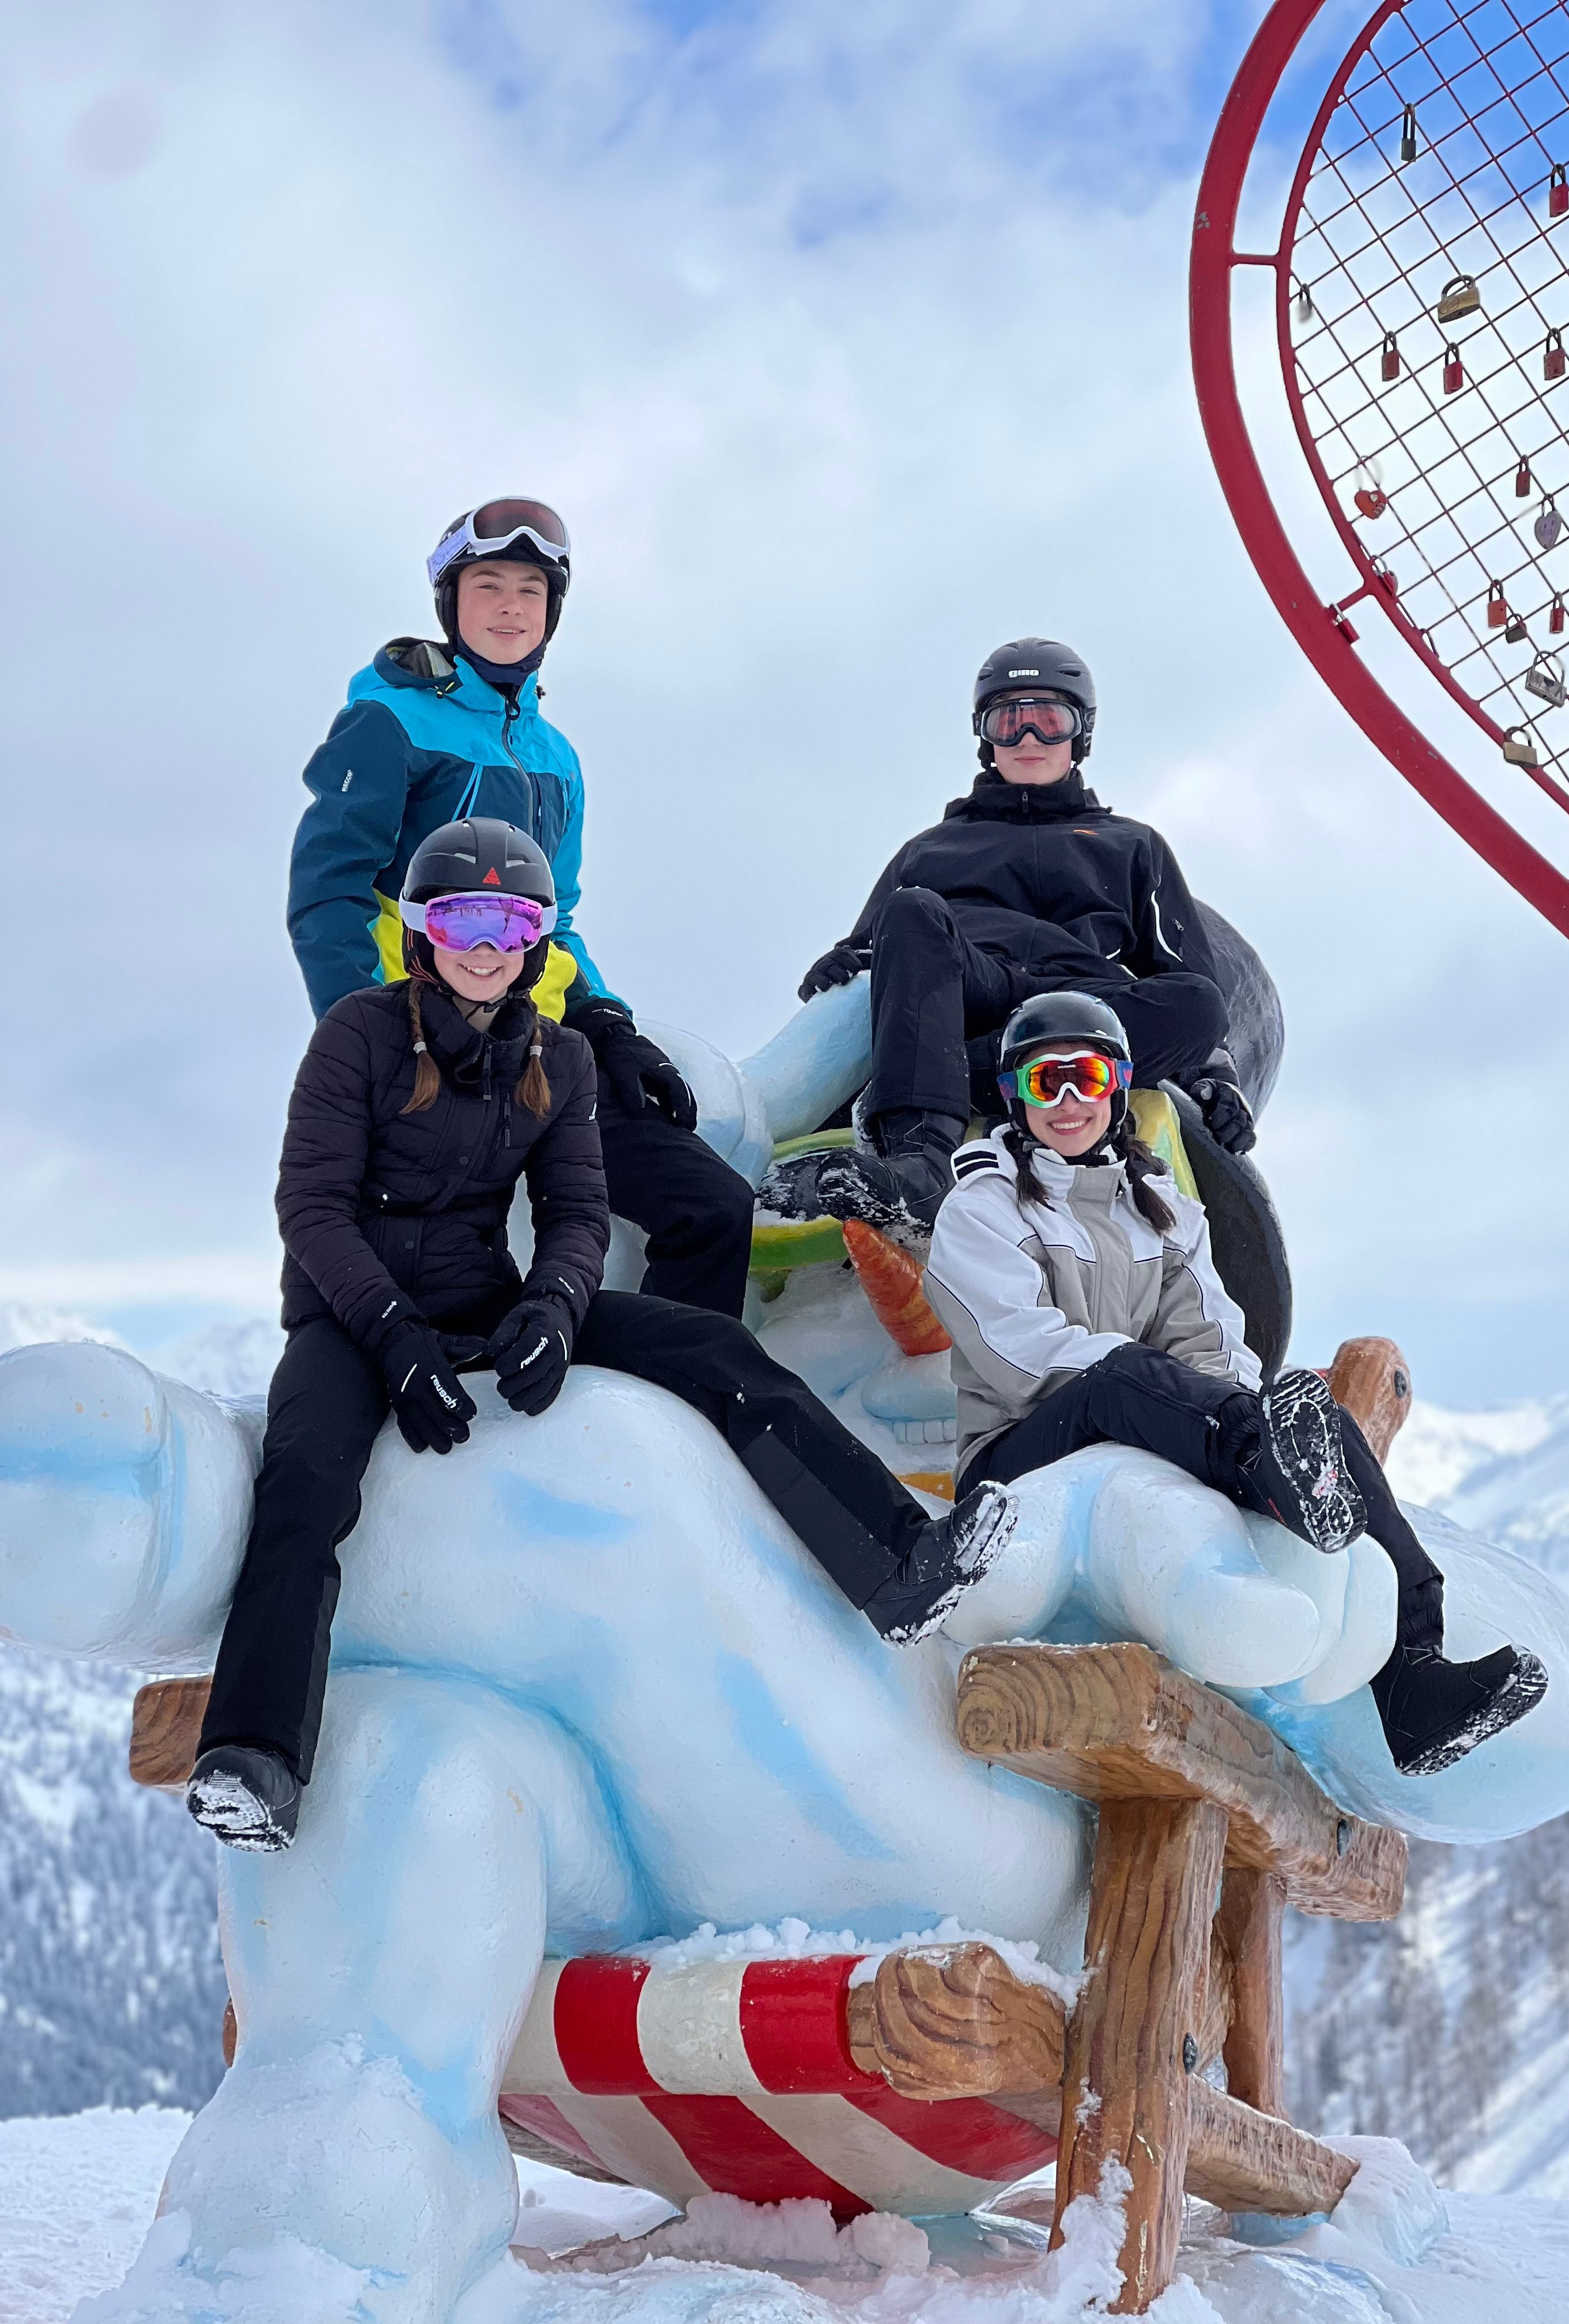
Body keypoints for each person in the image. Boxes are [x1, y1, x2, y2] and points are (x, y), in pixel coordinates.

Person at [188, 820, 1015, 1854]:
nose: (484, 946)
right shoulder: (358, 1035)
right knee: (308, 1475)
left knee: (714, 1354)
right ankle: (253, 1756)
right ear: (419, 932)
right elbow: (313, 1211)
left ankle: (898, 1564)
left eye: (510, 922)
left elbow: (578, 1212)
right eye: (459, 919)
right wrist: (394, 1336)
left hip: (486, 1306)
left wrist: (552, 1308)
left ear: (537, 940)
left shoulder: (556, 1057)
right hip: (353, 1320)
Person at [921, 991, 1548, 1778]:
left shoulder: (1168, 1216)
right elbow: (1022, 1355)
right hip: (1019, 1454)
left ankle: (1417, 1677)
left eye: (1085, 1077)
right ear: (1018, 1101)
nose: (1072, 1101)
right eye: (1048, 1085)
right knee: (1127, 1376)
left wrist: (1238, 1409)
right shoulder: (982, 1206)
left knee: (1317, 1417)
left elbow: (1213, 1346)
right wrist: (1208, 1414)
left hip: (1146, 1415)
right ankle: (1279, 1477)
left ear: (1117, 1085)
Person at [285, 497, 752, 1318]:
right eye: (488, 585)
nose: (509, 607)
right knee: (436, 1259)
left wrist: (605, 1021)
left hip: (535, 1050)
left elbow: (557, 918)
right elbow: (332, 891)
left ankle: (661, 1420)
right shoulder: (388, 719)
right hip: (423, 1043)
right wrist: (363, 1035)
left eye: (530, 591)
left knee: (710, 1208)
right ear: (451, 604)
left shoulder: (555, 756)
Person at [764, 637, 1253, 1235]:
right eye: (1009, 721)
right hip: (974, 984)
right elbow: (878, 947)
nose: (1027, 740)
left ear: (1079, 735)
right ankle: (919, 1162)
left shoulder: (1130, 844)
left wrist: (1216, 1075)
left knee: (1198, 1002)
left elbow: (1182, 969)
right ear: (985, 735)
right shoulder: (932, 848)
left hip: (1081, 1007)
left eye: (1049, 721)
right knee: (913, 909)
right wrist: (837, 964)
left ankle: (955, 1073)